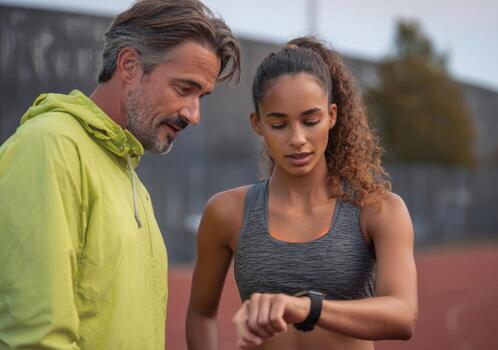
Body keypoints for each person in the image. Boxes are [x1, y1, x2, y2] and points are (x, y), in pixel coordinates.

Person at [0, 0, 240, 349]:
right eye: (184, 88)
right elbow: (34, 337)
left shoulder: (131, 180)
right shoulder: (50, 146)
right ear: (129, 65)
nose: (194, 114)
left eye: (201, 95)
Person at [186, 36, 417, 350]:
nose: (297, 138)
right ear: (257, 124)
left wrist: (307, 307)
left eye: (311, 121)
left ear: (332, 116)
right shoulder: (227, 212)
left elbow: (403, 315)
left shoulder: (377, 210)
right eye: (279, 124)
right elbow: (201, 314)